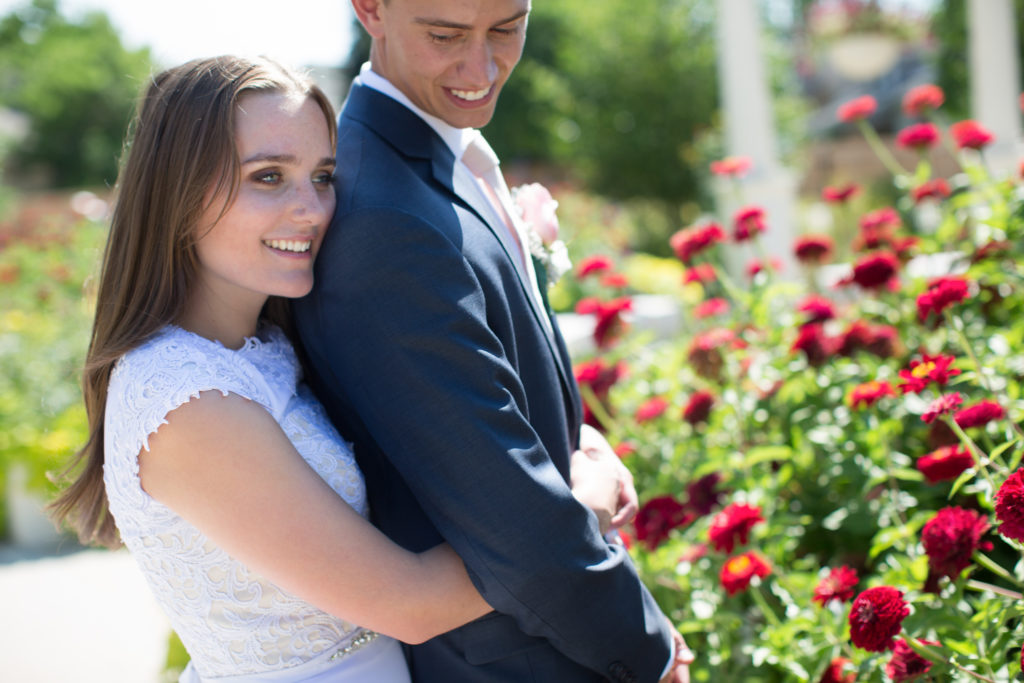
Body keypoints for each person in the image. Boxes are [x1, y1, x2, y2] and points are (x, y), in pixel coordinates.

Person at [48, 55, 626, 682]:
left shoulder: (266, 347)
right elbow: (413, 602)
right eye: (268, 176)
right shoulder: (186, 403)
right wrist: (581, 512)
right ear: (176, 193)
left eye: (323, 176)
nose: (312, 209)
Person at [292, 1, 693, 682]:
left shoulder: (443, 153)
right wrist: (651, 653)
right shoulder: (384, 215)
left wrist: (578, 437)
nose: (482, 67)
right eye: (445, 35)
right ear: (371, 9)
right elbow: (510, 516)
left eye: (508, 27)